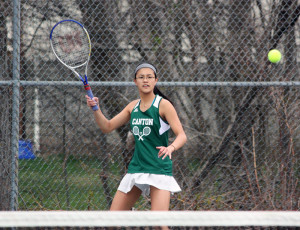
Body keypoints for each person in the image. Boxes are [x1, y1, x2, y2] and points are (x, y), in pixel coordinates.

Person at [86, 63, 187, 212]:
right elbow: (107, 126)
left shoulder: (164, 105)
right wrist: (95, 109)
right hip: (137, 169)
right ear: (135, 81)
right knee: (113, 221)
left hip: (158, 168)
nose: (145, 80)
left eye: (149, 77)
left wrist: (171, 147)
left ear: (155, 80)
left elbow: (182, 135)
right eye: (141, 77)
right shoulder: (132, 106)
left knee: (159, 224)